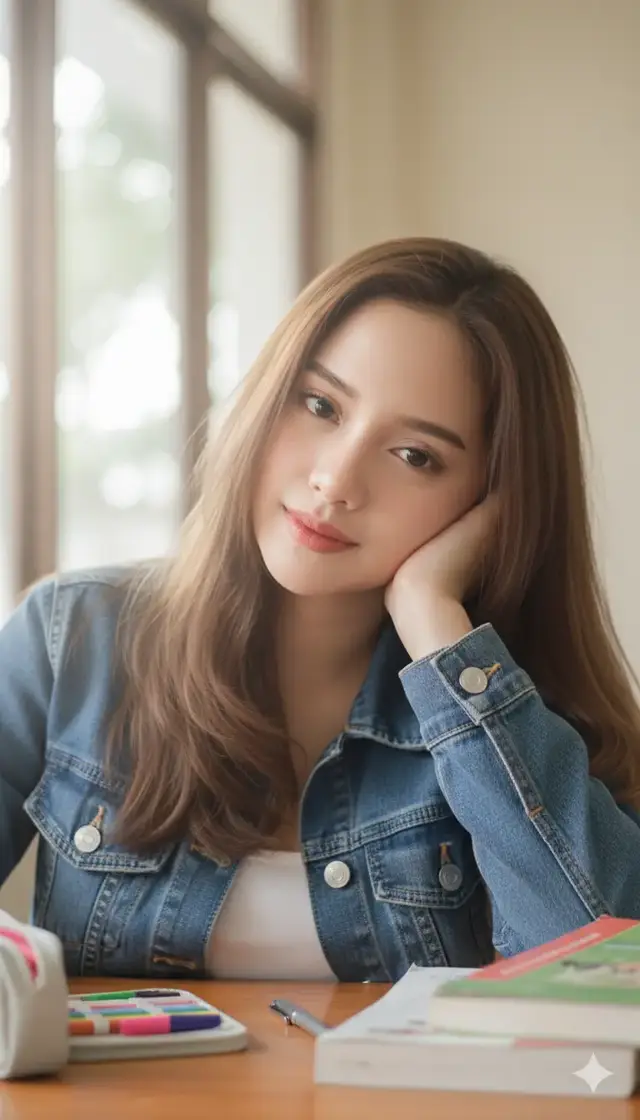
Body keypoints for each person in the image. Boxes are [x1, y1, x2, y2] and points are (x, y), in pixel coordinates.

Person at [2, 237, 640, 984]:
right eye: (320, 405)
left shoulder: (520, 718)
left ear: (493, 503)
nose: (335, 480)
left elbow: (604, 977)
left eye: (416, 456)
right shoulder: (69, 640)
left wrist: (434, 618)